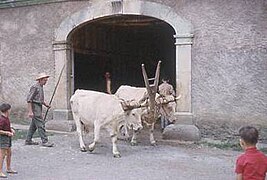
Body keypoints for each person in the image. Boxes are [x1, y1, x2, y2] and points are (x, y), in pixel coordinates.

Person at [25, 73, 54, 147]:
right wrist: (30, 111)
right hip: (35, 107)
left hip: (39, 106)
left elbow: (39, 99)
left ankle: (28, 140)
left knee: (34, 125)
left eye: (46, 80)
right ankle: (45, 141)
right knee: (41, 124)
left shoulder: (40, 87)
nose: (46, 82)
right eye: (45, 80)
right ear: (40, 80)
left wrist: (45, 104)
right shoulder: (35, 87)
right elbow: (29, 100)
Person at [0, 103, 17, 178]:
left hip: (8, 138)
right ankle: (0, 171)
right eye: (10, 109)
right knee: (2, 155)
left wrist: (11, 129)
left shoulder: (6, 118)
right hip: (3, 138)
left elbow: (7, 126)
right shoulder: (2, 119)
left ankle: (8, 168)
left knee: (9, 153)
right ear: (7, 110)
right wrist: (7, 133)